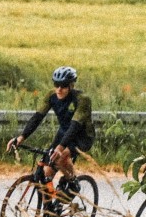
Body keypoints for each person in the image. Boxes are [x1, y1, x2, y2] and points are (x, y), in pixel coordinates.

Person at [9, 65, 95, 199]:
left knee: (60, 158)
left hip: (82, 136)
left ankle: (73, 183)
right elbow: (38, 117)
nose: (59, 89)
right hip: (64, 132)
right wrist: (21, 137)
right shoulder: (51, 96)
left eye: (64, 86)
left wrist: (60, 147)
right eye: (56, 85)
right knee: (47, 171)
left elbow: (75, 125)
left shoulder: (82, 99)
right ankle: (50, 208)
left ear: (71, 85)